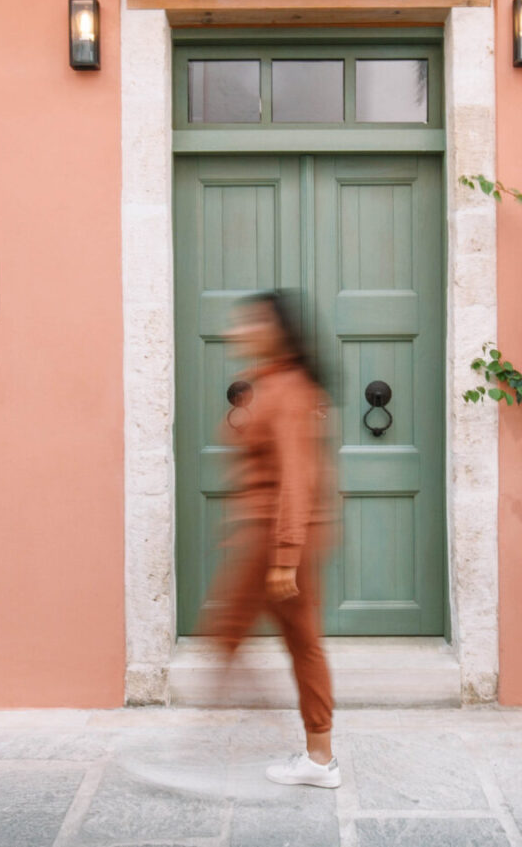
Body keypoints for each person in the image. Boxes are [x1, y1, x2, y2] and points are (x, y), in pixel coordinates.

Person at [198, 290, 339, 789]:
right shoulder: (272, 383)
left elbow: (296, 479)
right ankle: (316, 754)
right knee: (283, 640)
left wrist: (284, 557)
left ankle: (311, 753)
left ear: (275, 330)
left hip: (276, 541)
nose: (238, 331)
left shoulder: (289, 390)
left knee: (236, 632)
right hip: (272, 538)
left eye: (250, 323)